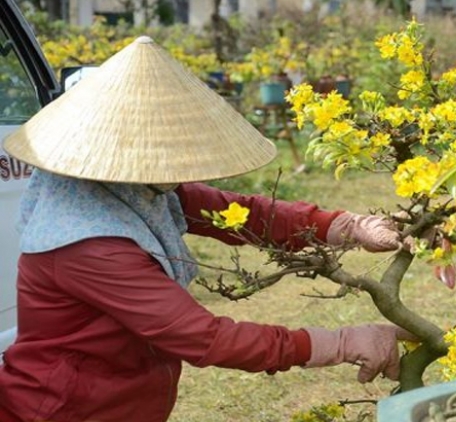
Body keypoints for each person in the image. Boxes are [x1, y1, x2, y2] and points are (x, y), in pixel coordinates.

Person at [0, 36, 414, 422]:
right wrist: (336, 343)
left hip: (115, 400)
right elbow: (203, 337)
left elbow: (238, 212)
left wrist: (344, 226)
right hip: (63, 410)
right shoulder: (89, 244)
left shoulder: (128, 187)